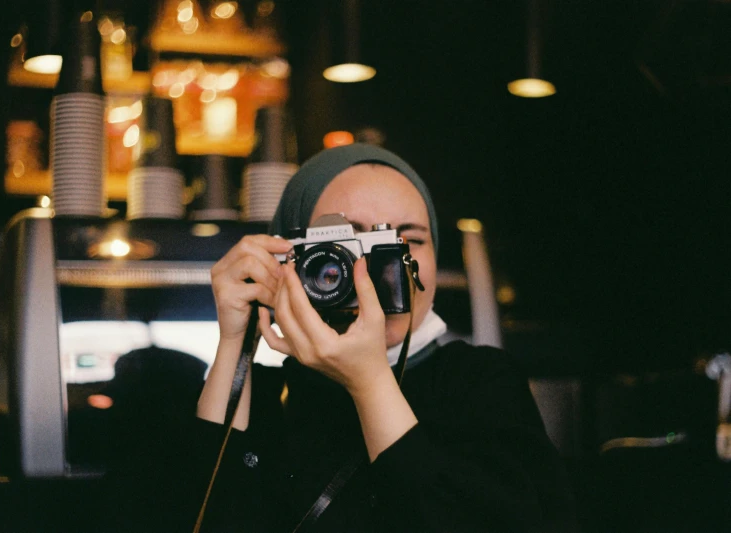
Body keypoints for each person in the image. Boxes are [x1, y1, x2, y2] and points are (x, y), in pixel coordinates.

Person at [110, 143, 574, 532]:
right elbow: (199, 515)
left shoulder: (480, 381)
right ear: (289, 256)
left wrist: (370, 381)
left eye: (407, 241)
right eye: (347, 243)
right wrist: (235, 341)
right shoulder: (266, 396)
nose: (376, 268)